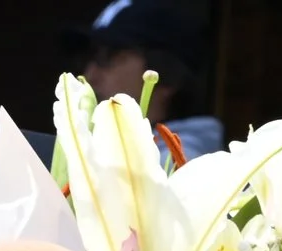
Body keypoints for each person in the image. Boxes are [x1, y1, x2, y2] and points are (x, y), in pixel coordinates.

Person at [76, 0, 223, 158]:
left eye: (108, 58)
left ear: (166, 74)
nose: (90, 76)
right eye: (90, 58)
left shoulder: (180, 168)